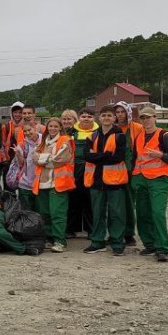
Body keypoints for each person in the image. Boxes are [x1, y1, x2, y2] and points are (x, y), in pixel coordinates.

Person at [131, 106, 168, 262]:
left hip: (159, 179)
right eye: (143, 118)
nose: (146, 121)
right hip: (141, 179)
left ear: (155, 118)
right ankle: (149, 244)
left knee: (157, 213)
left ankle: (162, 247)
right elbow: (136, 159)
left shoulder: (164, 136)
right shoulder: (139, 136)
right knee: (142, 213)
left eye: (148, 117)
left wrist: (160, 155)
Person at [83, 105, 129, 255]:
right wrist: (105, 155)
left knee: (117, 213)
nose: (106, 118)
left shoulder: (120, 135)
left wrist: (97, 156)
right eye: (104, 115)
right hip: (96, 181)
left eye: (110, 115)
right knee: (97, 213)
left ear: (114, 118)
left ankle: (117, 242)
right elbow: (86, 156)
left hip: (115, 182)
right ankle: (97, 241)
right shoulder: (92, 136)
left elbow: (118, 157)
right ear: (99, 118)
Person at [31, 117, 74, 252]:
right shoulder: (43, 142)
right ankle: (50, 239)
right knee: (45, 213)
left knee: (57, 213)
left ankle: (60, 241)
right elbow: (34, 157)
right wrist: (47, 158)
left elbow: (60, 160)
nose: (53, 128)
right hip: (43, 183)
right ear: (47, 128)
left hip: (58, 183)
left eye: (56, 126)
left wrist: (43, 160)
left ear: (60, 127)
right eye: (50, 126)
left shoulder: (65, 140)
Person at [68, 107, 100, 239]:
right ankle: (71, 229)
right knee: (73, 200)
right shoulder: (71, 132)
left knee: (89, 201)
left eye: (89, 117)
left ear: (94, 119)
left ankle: (91, 230)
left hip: (91, 170)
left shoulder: (99, 132)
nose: (86, 119)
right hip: (74, 170)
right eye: (84, 116)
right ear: (79, 118)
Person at [114, 102, 141, 246]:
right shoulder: (112, 128)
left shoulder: (137, 128)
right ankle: (115, 233)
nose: (119, 114)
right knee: (115, 204)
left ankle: (129, 233)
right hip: (114, 170)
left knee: (130, 203)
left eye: (122, 112)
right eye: (117, 112)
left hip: (131, 169)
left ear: (128, 113)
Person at [11, 121, 42, 211]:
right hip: (25, 184)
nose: (27, 133)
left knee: (41, 212)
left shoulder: (45, 141)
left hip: (40, 184)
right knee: (26, 212)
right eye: (25, 131)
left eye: (29, 130)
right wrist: (17, 154)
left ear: (35, 129)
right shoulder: (22, 144)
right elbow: (21, 164)